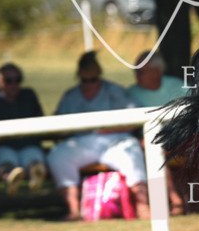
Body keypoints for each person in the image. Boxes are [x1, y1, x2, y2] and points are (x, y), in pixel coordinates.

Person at [46, 51, 150, 220]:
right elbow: (59, 127)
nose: (90, 84)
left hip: (114, 140)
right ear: (79, 76)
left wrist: (111, 128)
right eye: (85, 80)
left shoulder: (114, 91)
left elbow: (136, 118)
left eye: (94, 80)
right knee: (58, 156)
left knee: (132, 153)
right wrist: (64, 129)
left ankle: (142, 206)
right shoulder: (71, 96)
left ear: (100, 75)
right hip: (81, 142)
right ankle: (74, 210)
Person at [0, 63, 48, 194]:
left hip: (28, 145)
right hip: (0, 147)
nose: (14, 84)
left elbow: (41, 120)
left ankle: (35, 176)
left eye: (17, 80)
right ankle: (11, 178)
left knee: (32, 157)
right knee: (5, 159)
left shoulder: (28, 95)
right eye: (8, 80)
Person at [127, 50, 188, 212]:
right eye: (135, 71)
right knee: (152, 147)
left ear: (157, 71)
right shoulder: (130, 94)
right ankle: (174, 198)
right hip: (148, 142)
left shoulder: (177, 86)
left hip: (180, 137)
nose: (136, 75)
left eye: (141, 71)